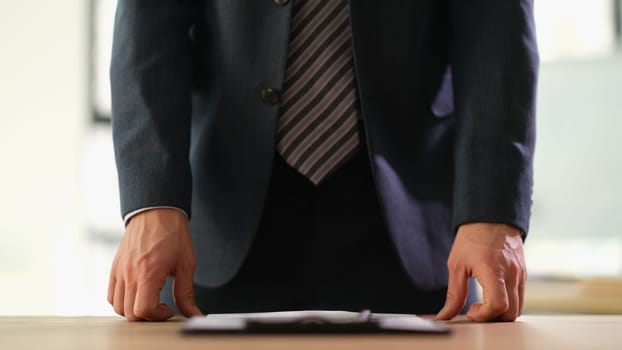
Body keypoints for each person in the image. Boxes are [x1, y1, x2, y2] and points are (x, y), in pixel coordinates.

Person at [108, 0, 538, 322]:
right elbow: (147, 33)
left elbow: (498, 38)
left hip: (410, 225)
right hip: (221, 227)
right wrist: (153, 203)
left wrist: (491, 211)